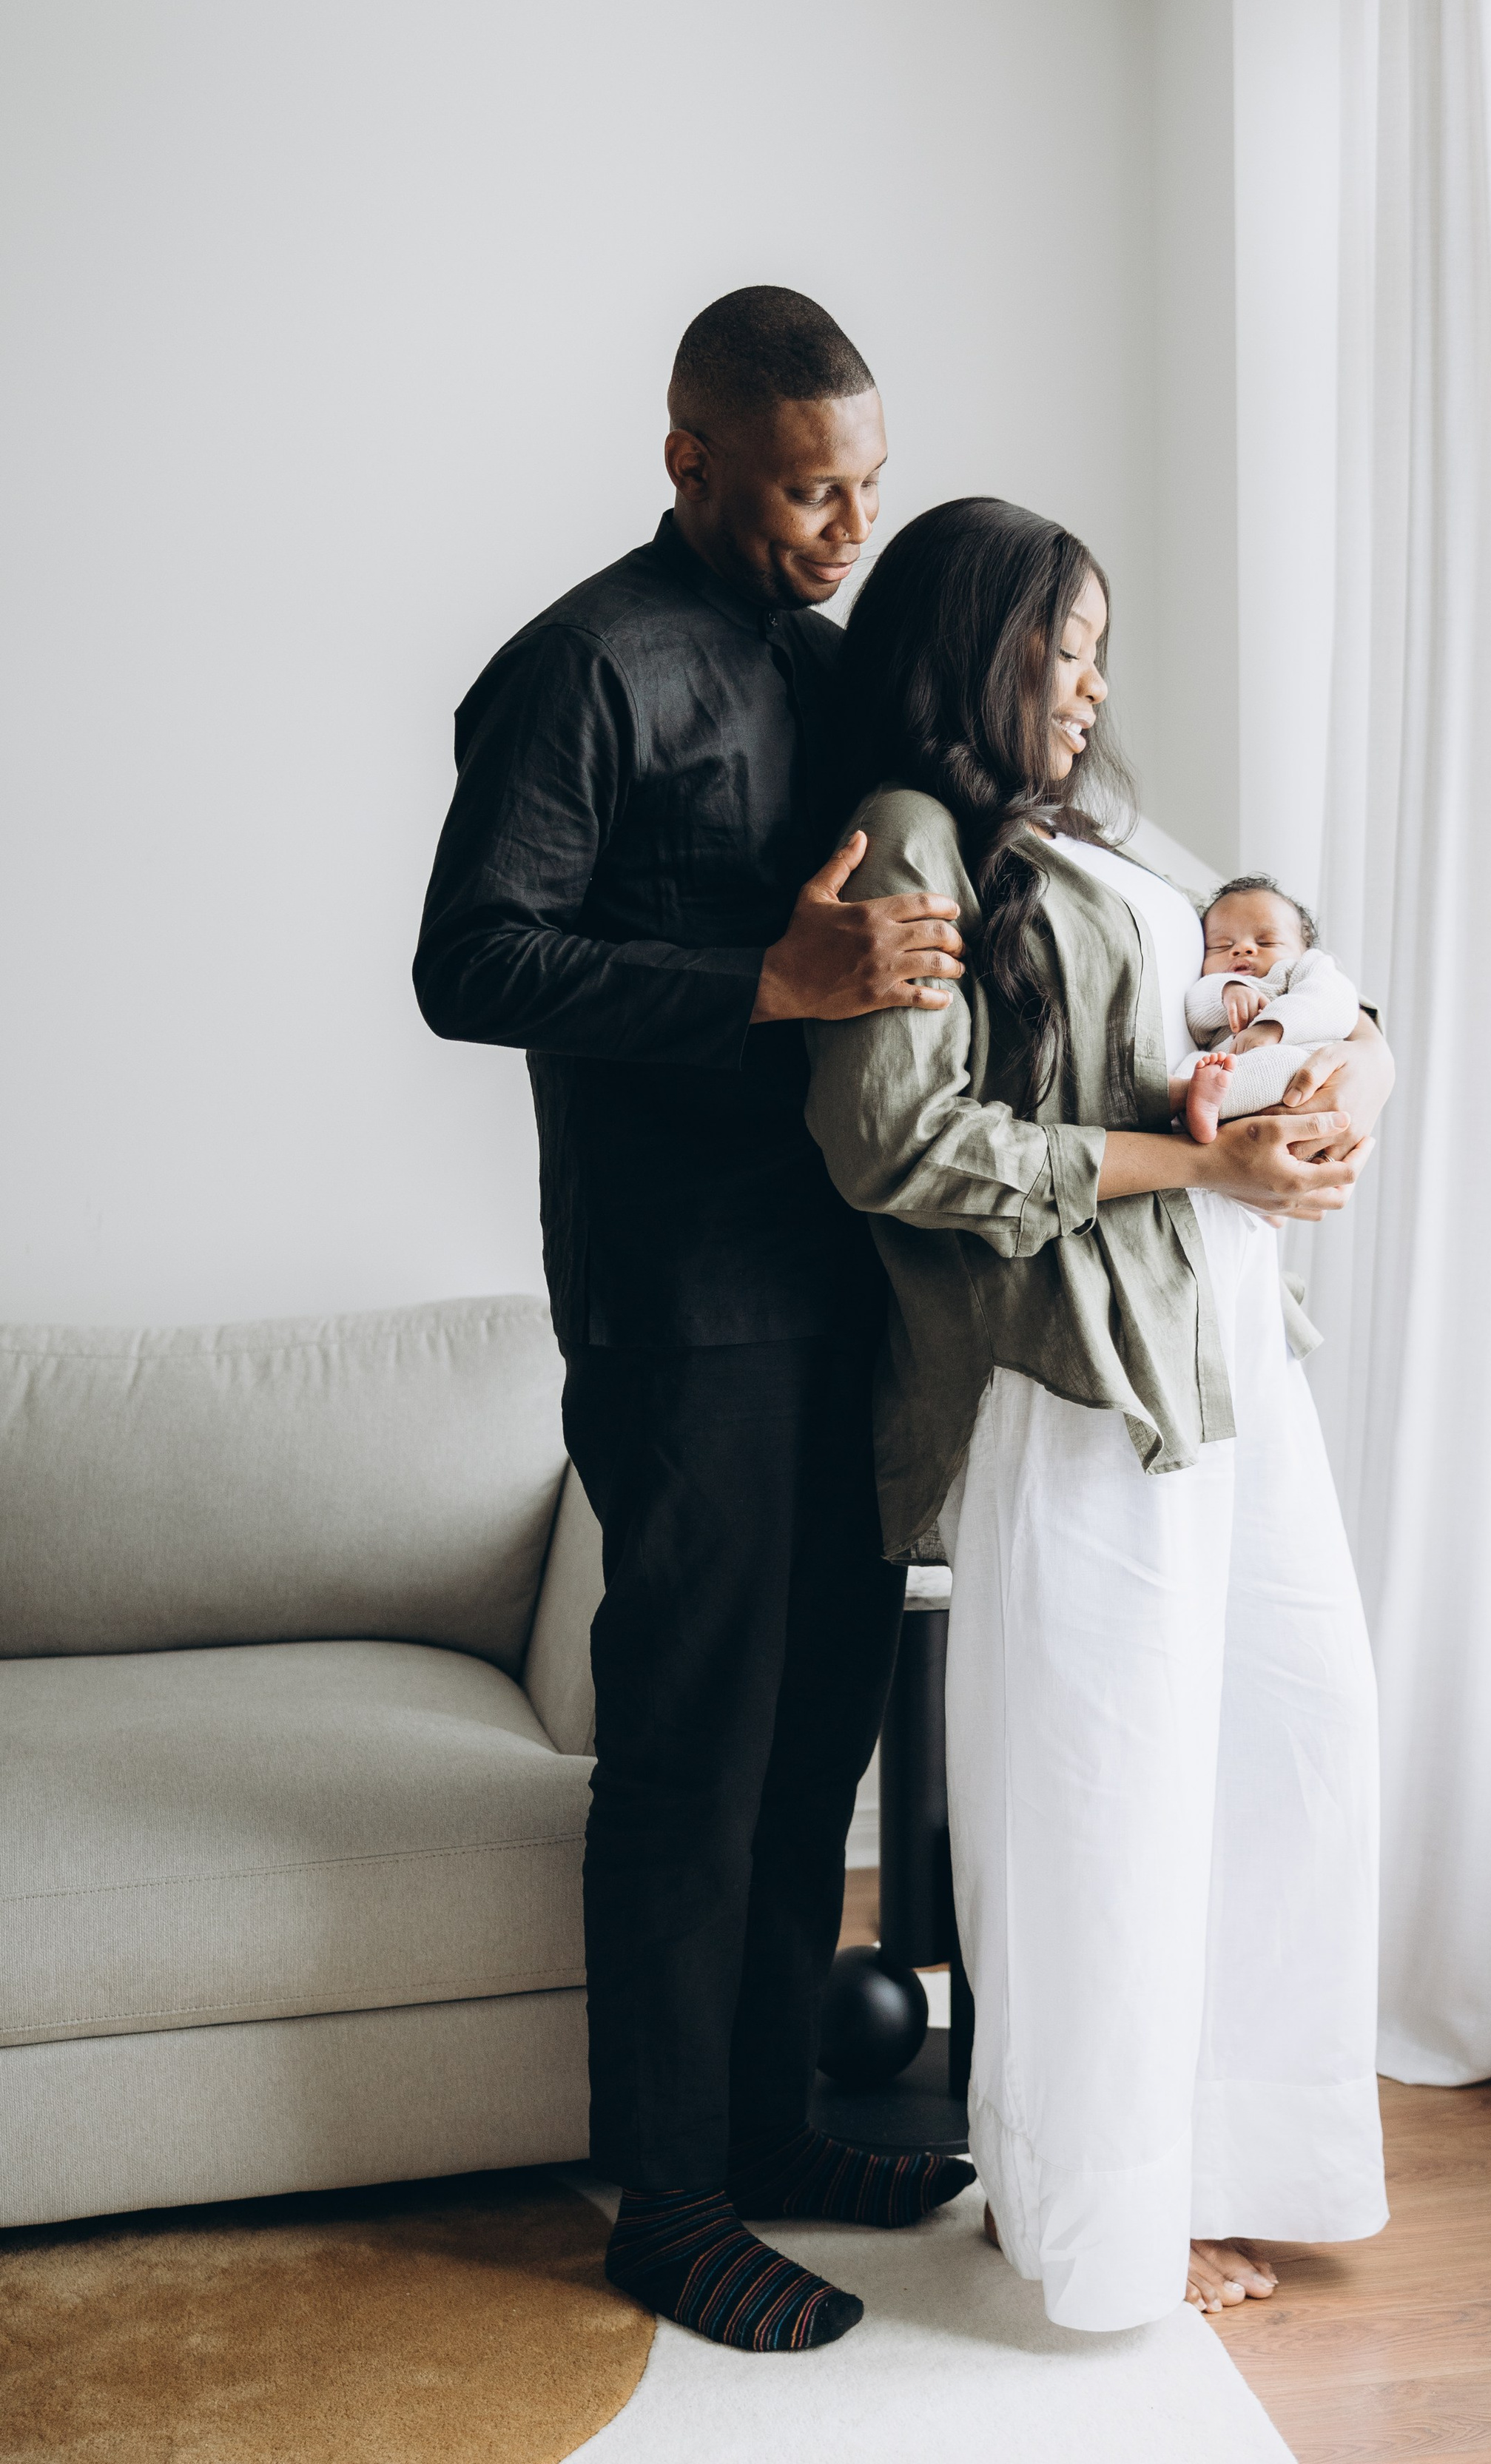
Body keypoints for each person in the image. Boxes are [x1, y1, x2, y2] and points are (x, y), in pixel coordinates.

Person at [413, 288, 986, 2354]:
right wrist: (766, 982)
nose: (849, 526)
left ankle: (769, 2129)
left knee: (819, 1731)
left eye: (868, 487)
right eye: (812, 489)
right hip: (681, 1302)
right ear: (691, 459)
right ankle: (667, 2208)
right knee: (692, 1747)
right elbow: (470, 963)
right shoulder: (576, 667)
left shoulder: (831, 669)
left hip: (846, 1283)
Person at [803, 496, 1395, 2332]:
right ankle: (1101, 2209)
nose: (1088, 687)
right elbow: (894, 1143)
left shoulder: (1085, 829)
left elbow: (1291, 972)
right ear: (974, 650)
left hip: (1227, 1350)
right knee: (1105, 1796)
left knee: (1291, 1740)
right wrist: (1196, 1162)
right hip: (1078, 1374)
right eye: (1058, 651)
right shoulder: (914, 835)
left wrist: (1345, 1077)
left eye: (1096, 652)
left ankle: (1232, 2153)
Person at [1171, 876, 1360, 1141]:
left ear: (1303, 949)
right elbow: (1193, 1016)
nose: (1242, 949)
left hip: (1295, 1066)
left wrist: (1272, 1026)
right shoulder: (1215, 984)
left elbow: (1334, 1000)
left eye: (1267, 942)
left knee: (1288, 1063)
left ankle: (1200, 1101)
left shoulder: (1306, 968)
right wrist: (1226, 990)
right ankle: (1192, 1103)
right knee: (1195, 1063)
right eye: (1222, 946)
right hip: (1223, 1071)